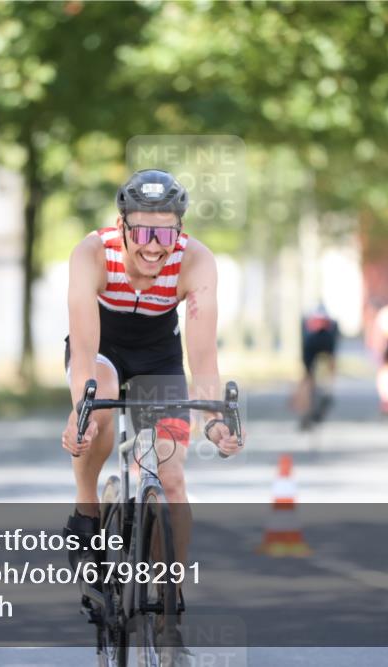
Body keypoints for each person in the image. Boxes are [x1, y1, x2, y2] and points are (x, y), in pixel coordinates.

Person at [60, 169, 242, 604]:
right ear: (121, 225)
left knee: (171, 478)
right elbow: (85, 349)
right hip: (103, 349)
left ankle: (168, 600)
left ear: (180, 230)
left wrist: (214, 420)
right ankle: (87, 509)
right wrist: (79, 414)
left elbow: (202, 356)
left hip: (159, 356)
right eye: (141, 231)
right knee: (97, 412)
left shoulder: (195, 261)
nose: (153, 246)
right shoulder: (92, 254)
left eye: (166, 234)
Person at [297, 302, 339, 429]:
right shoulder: (330, 321)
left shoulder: (308, 319)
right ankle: (328, 391)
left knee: (307, 377)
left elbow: (303, 339)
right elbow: (335, 341)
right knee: (330, 366)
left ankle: (306, 411)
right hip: (327, 342)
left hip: (310, 344)